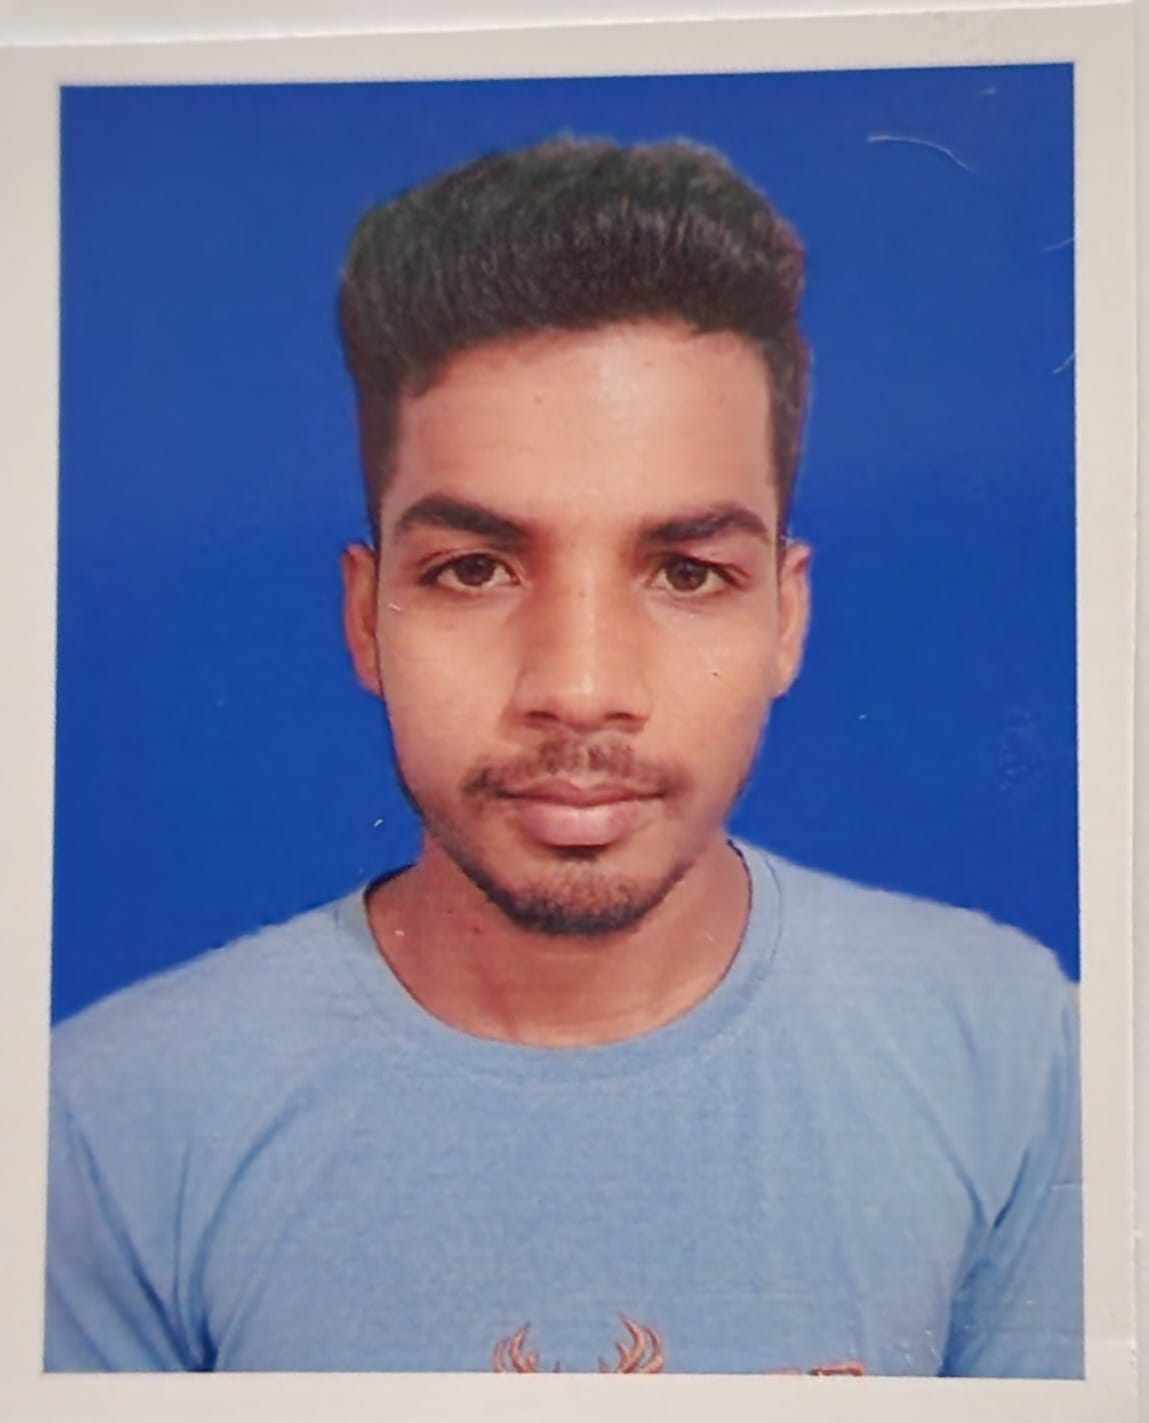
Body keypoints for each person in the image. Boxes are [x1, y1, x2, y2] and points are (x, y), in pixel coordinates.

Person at [45, 135, 1082, 1377]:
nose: (580, 688)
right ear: (366, 617)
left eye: (687, 572)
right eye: (473, 569)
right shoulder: (106, 1124)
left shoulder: (1014, 1053)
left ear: (786, 617)